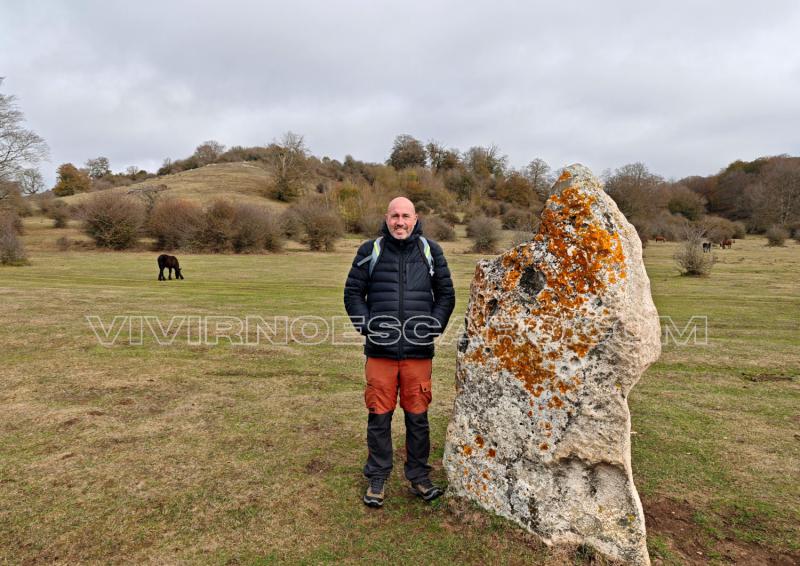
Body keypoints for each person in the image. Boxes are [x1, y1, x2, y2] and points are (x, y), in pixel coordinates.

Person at [344, 196, 455, 508]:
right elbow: (353, 293)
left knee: (417, 418)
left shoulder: (431, 251)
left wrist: (433, 325)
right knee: (379, 417)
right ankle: (377, 478)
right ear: (387, 217)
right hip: (380, 352)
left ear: (415, 218)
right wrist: (366, 325)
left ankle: (419, 477)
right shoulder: (371, 250)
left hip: (418, 354)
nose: (400, 222)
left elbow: (446, 295)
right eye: (395, 216)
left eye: (406, 216)